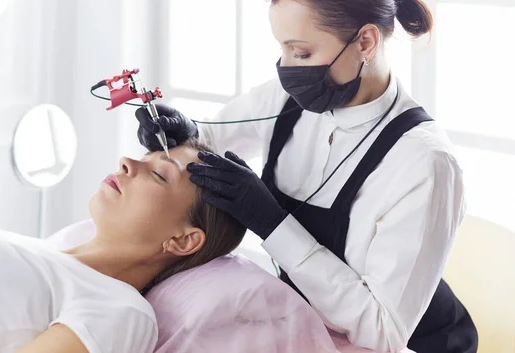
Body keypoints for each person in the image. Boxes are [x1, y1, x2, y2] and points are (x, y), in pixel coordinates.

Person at [135, 0, 477, 352]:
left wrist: (274, 224)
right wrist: (184, 132)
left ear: (366, 43)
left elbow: (384, 332)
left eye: (300, 52)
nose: (286, 67)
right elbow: (210, 142)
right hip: (315, 328)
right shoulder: (288, 99)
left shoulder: (424, 162)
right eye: (282, 48)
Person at [0, 140, 246, 353]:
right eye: (145, 156)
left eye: (159, 174)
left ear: (183, 239)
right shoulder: (43, 253)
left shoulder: (119, 310)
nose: (127, 162)